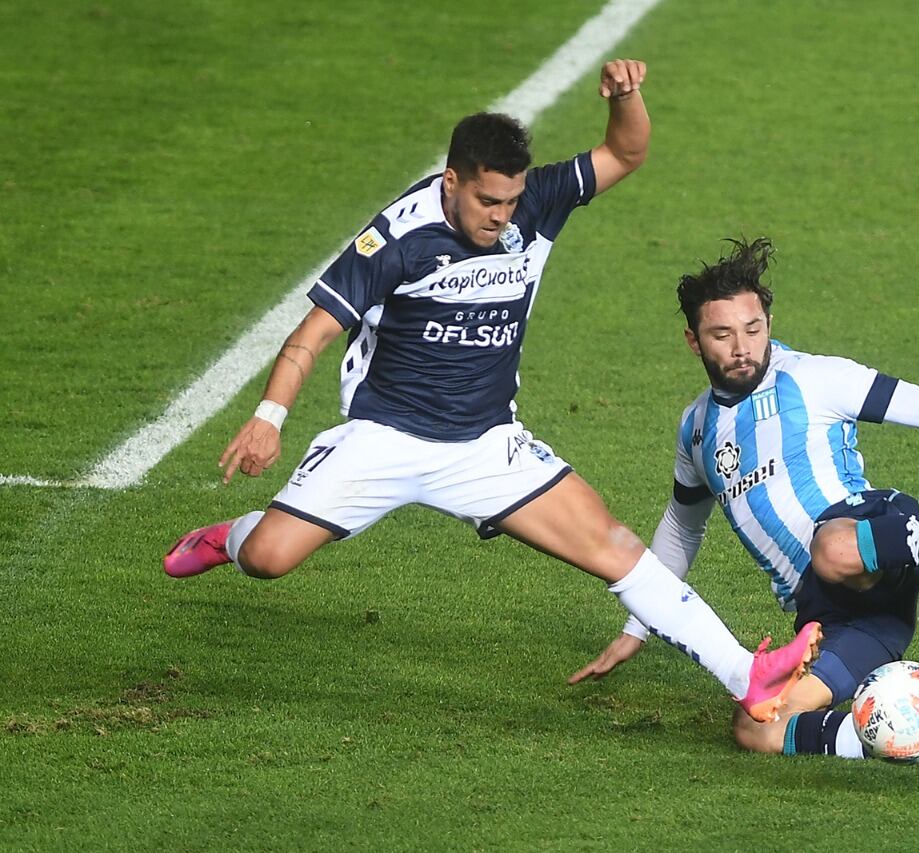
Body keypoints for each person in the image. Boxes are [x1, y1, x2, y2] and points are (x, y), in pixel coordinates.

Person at [162, 63, 822, 725]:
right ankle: (228, 537)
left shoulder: (531, 203)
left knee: (613, 544)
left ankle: (747, 673)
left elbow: (627, 151)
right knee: (270, 557)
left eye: (510, 202)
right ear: (452, 182)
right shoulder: (396, 239)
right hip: (382, 438)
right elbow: (310, 334)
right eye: (487, 203)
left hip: (484, 445)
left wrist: (627, 96)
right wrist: (268, 418)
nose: (501, 218)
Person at [571, 237, 919, 772]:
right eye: (721, 335)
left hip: (872, 533)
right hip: (843, 619)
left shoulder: (816, 379)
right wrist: (637, 627)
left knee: (833, 548)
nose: (742, 347)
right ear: (694, 341)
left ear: (769, 325)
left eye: (753, 329)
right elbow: (681, 529)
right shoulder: (696, 431)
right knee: (756, 726)